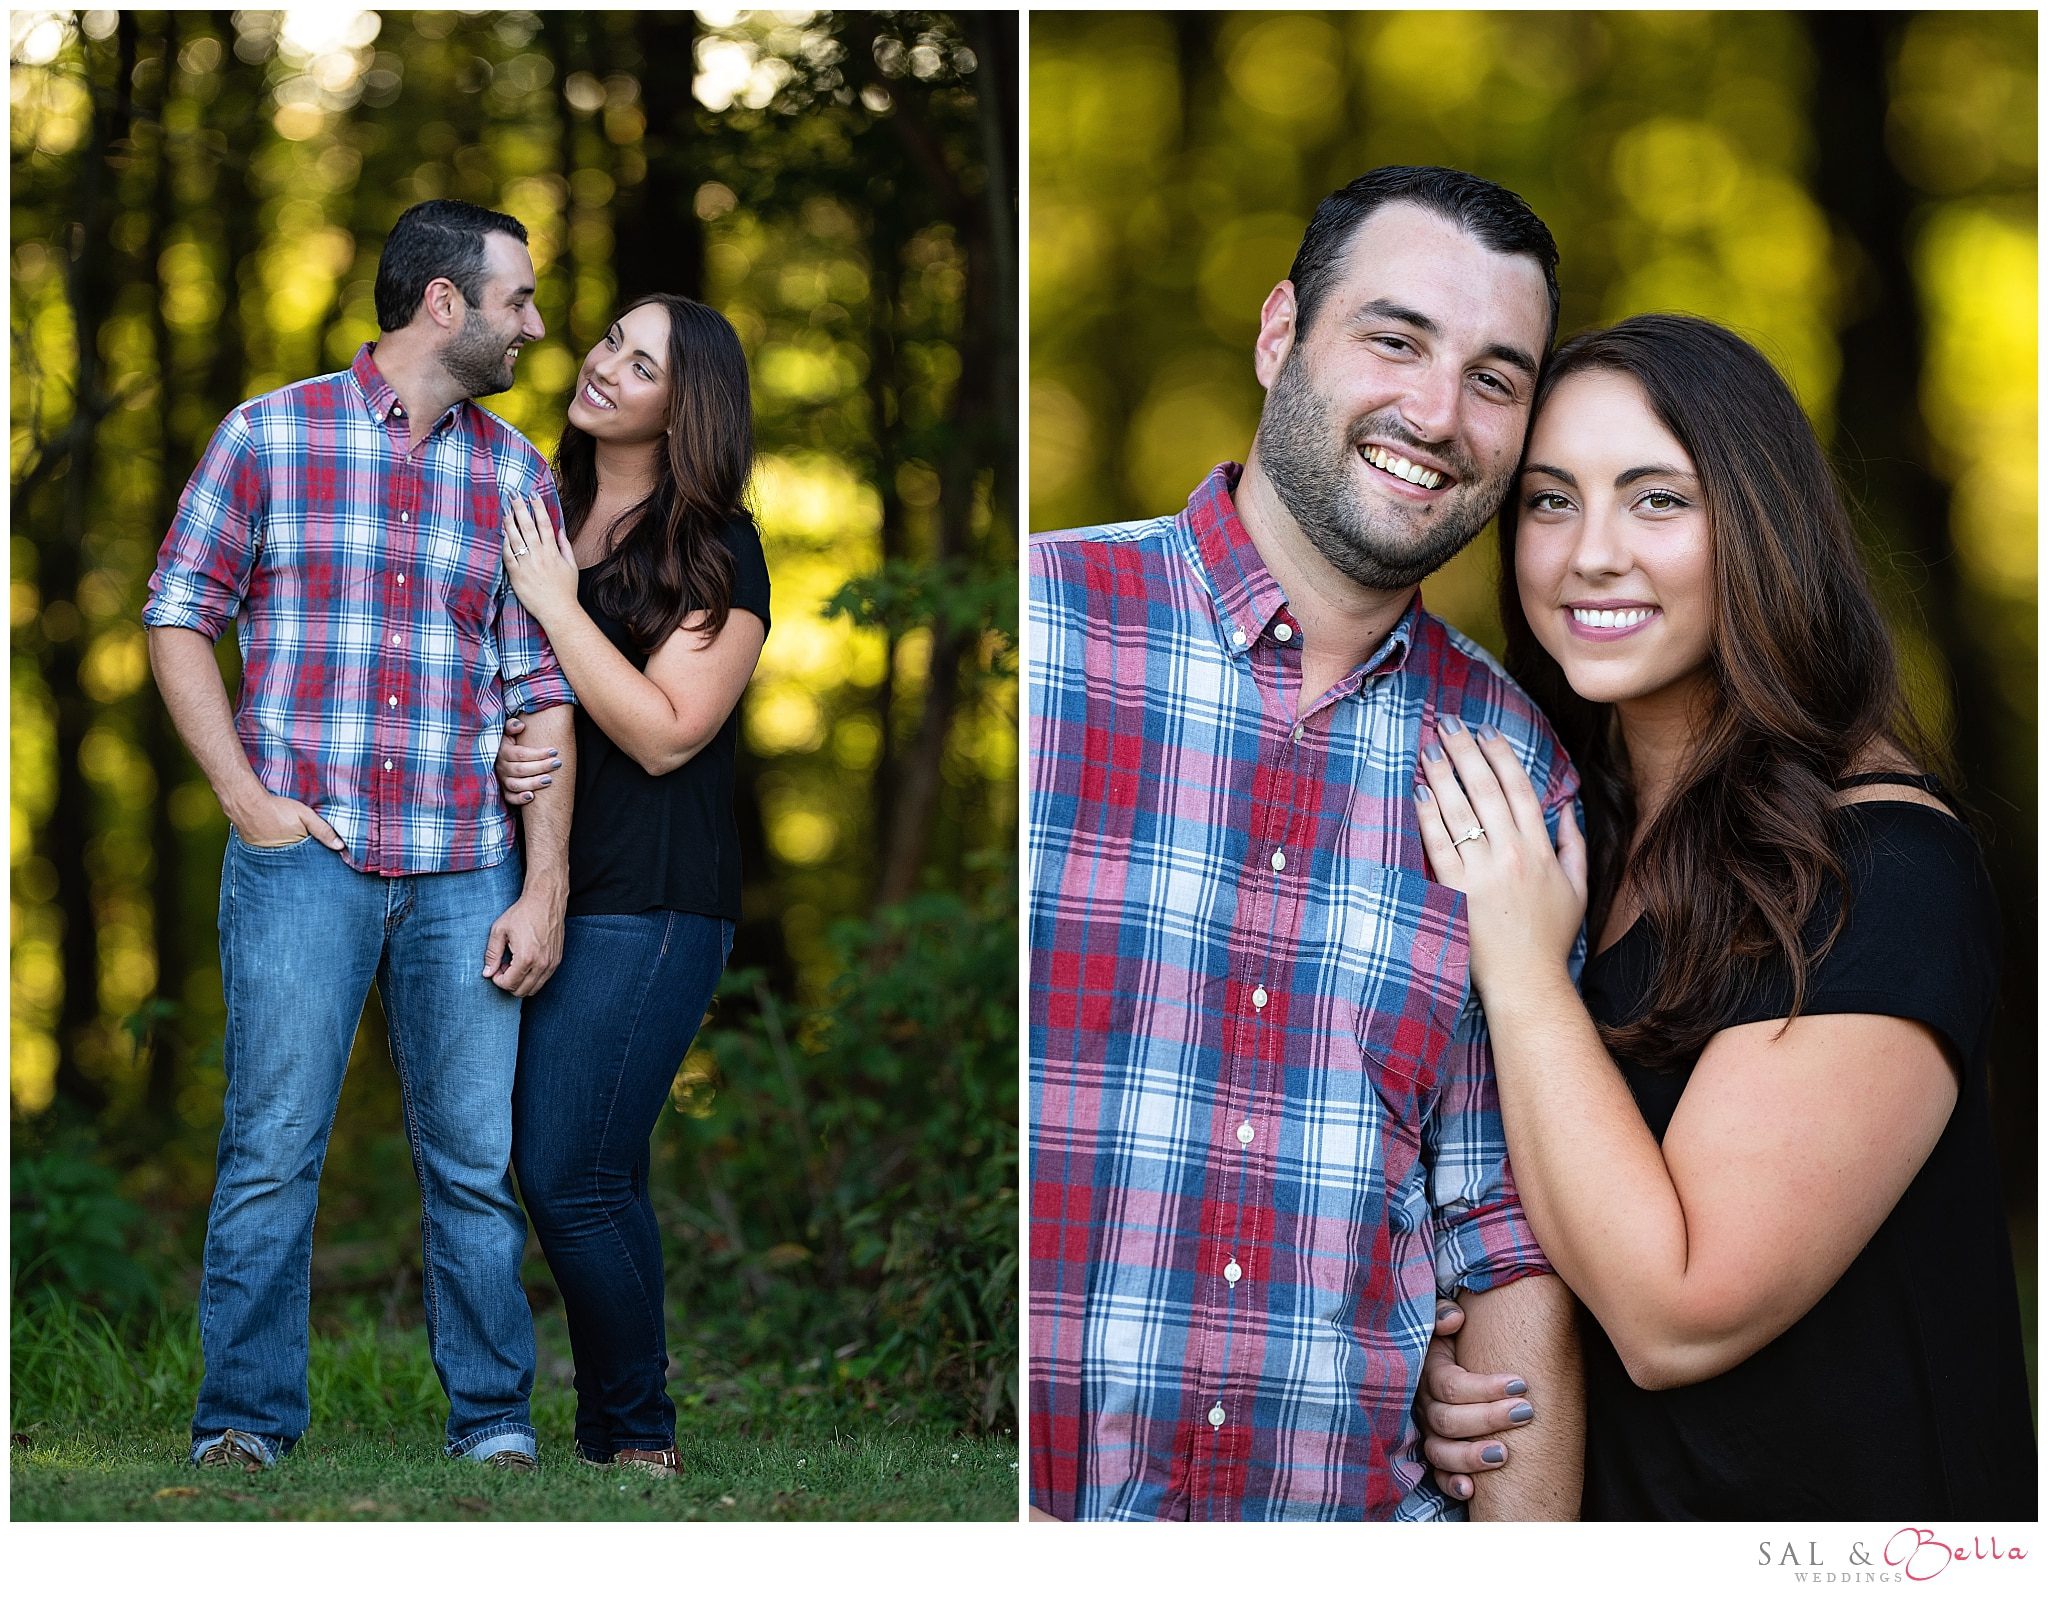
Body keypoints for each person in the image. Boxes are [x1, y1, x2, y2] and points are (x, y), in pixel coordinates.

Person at [1028, 167, 1585, 1521]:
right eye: (1394, 341)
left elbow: (1511, 1251)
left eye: (1496, 379)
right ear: (1282, 335)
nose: (1438, 416)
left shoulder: (1517, 768)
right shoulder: (1045, 629)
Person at [1412, 314, 2036, 1518]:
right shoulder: (1565, 827)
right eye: (1547, 502)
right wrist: (1446, 1365)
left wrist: (1524, 970)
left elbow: (1673, 1310)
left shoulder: (1879, 862)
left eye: (1654, 500)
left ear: (1757, 525)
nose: (1588, 552)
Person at [145, 199, 575, 1472]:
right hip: (302, 860)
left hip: (462, 866)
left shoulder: (514, 470)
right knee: (271, 1148)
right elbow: (179, 613)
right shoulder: (268, 434)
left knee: (474, 1163)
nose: (534, 326)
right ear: (443, 303)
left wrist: (541, 883)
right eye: (517, 301)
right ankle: (244, 1423)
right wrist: (244, 800)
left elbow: (536, 691)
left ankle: (494, 1422)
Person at [490, 293, 769, 1477]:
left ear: (682, 402)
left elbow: (665, 731)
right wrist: (504, 748)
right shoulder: (537, 503)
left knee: (571, 1168)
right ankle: (617, 1435)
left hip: (654, 898)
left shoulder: (715, 543)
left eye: (639, 362)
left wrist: (556, 605)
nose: (603, 365)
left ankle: (638, 1434)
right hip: (546, 873)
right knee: (575, 1164)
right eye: (608, 340)